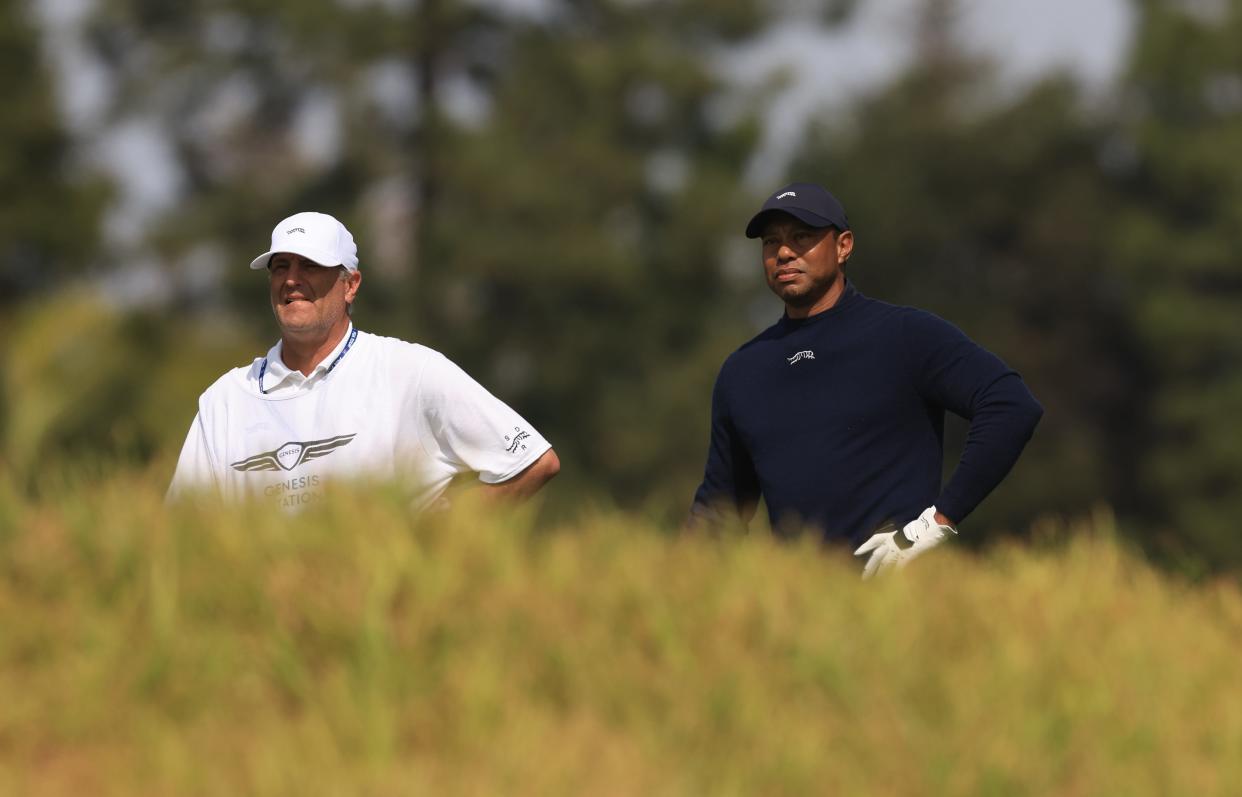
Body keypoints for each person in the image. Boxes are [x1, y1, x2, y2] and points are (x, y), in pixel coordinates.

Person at [689, 182, 1042, 578]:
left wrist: (937, 522)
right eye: (771, 242)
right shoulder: (744, 371)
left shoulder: (904, 335)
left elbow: (1010, 404)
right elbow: (718, 513)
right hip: (800, 606)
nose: (784, 252)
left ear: (844, 246)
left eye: (801, 237)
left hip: (901, 599)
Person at [168, 211, 559, 509]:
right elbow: (183, 531)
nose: (291, 280)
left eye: (310, 265)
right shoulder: (225, 400)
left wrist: (443, 540)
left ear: (350, 284)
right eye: (281, 266)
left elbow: (530, 462)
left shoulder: (410, 372)